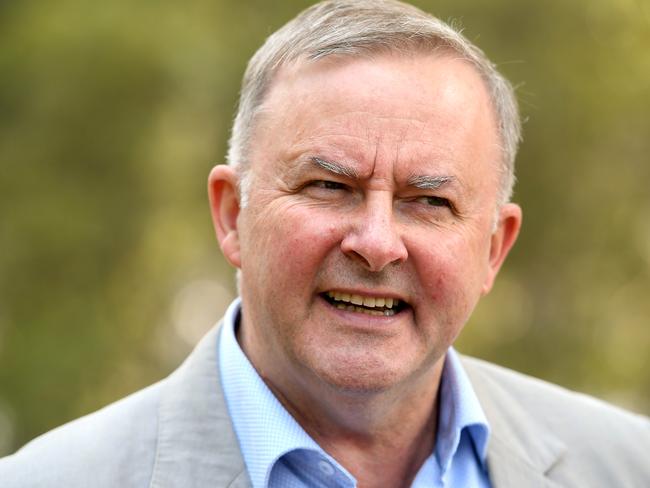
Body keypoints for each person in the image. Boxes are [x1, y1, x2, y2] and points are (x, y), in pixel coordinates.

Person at [1, 1, 648, 487]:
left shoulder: (624, 465)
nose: (376, 243)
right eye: (329, 186)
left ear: (492, 250)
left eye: (429, 201)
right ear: (232, 216)